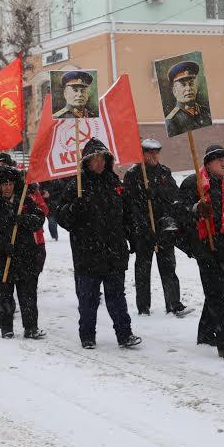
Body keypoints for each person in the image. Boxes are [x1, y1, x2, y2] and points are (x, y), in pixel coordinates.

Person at [56, 138, 142, 349]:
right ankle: (87, 335)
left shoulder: (115, 184)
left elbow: (128, 215)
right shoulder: (76, 186)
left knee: (117, 298)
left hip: (114, 252)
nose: (99, 162)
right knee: (88, 300)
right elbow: (61, 216)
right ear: (86, 161)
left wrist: (133, 238)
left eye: (103, 158)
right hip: (87, 254)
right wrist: (72, 209)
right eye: (95, 158)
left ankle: (125, 334)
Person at [175, 144, 224, 360]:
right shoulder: (192, 183)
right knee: (215, 294)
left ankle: (205, 333)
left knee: (220, 295)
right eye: (219, 160)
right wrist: (195, 210)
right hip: (205, 248)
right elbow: (177, 213)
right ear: (207, 163)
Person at [123, 138, 191, 317]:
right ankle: (143, 307)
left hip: (163, 229)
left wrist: (157, 193)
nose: (153, 155)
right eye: (149, 152)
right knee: (143, 270)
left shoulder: (164, 172)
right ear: (142, 154)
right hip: (143, 230)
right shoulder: (133, 174)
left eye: (156, 152)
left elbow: (174, 195)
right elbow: (128, 204)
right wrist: (142, 197)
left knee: (168, 268)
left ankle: (173, 304)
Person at [0, 169, 48, 338]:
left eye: (10, 184)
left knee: (28, 294)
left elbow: (39, 219)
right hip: (0, 258)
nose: (8, 188)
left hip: (25, 255)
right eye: (4, 184)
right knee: (3, 294)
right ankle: (6, 327)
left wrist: (24, 219)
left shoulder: (24, 201)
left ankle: (31, 327)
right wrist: (0, 245)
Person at [163, 62, 212, 138]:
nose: (188, 89)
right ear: (174, 91)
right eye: (183, 85)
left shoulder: (206, 111)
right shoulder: (172, 121)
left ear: (196, 88)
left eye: (191, 84)